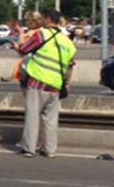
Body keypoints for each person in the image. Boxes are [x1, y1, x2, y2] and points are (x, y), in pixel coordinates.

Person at [14, 9, 77, 158]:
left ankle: (29, 148)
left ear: (48, 19)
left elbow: (24, 50)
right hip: (56, 85)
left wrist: (17, 46)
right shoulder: (67, 42)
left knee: (33, 116)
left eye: (43, 18)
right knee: (51, 120)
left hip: (38, 81)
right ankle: (49, 149)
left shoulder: (41, 35)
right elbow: (70, 66)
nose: (42, 20)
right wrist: (67, 84)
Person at [12, 11, 43, 94]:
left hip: (28, 65)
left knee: (27, 91)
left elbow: (22, 47)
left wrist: (21, 33)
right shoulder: (41, 32)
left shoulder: (31, 33)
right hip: (39, 65)